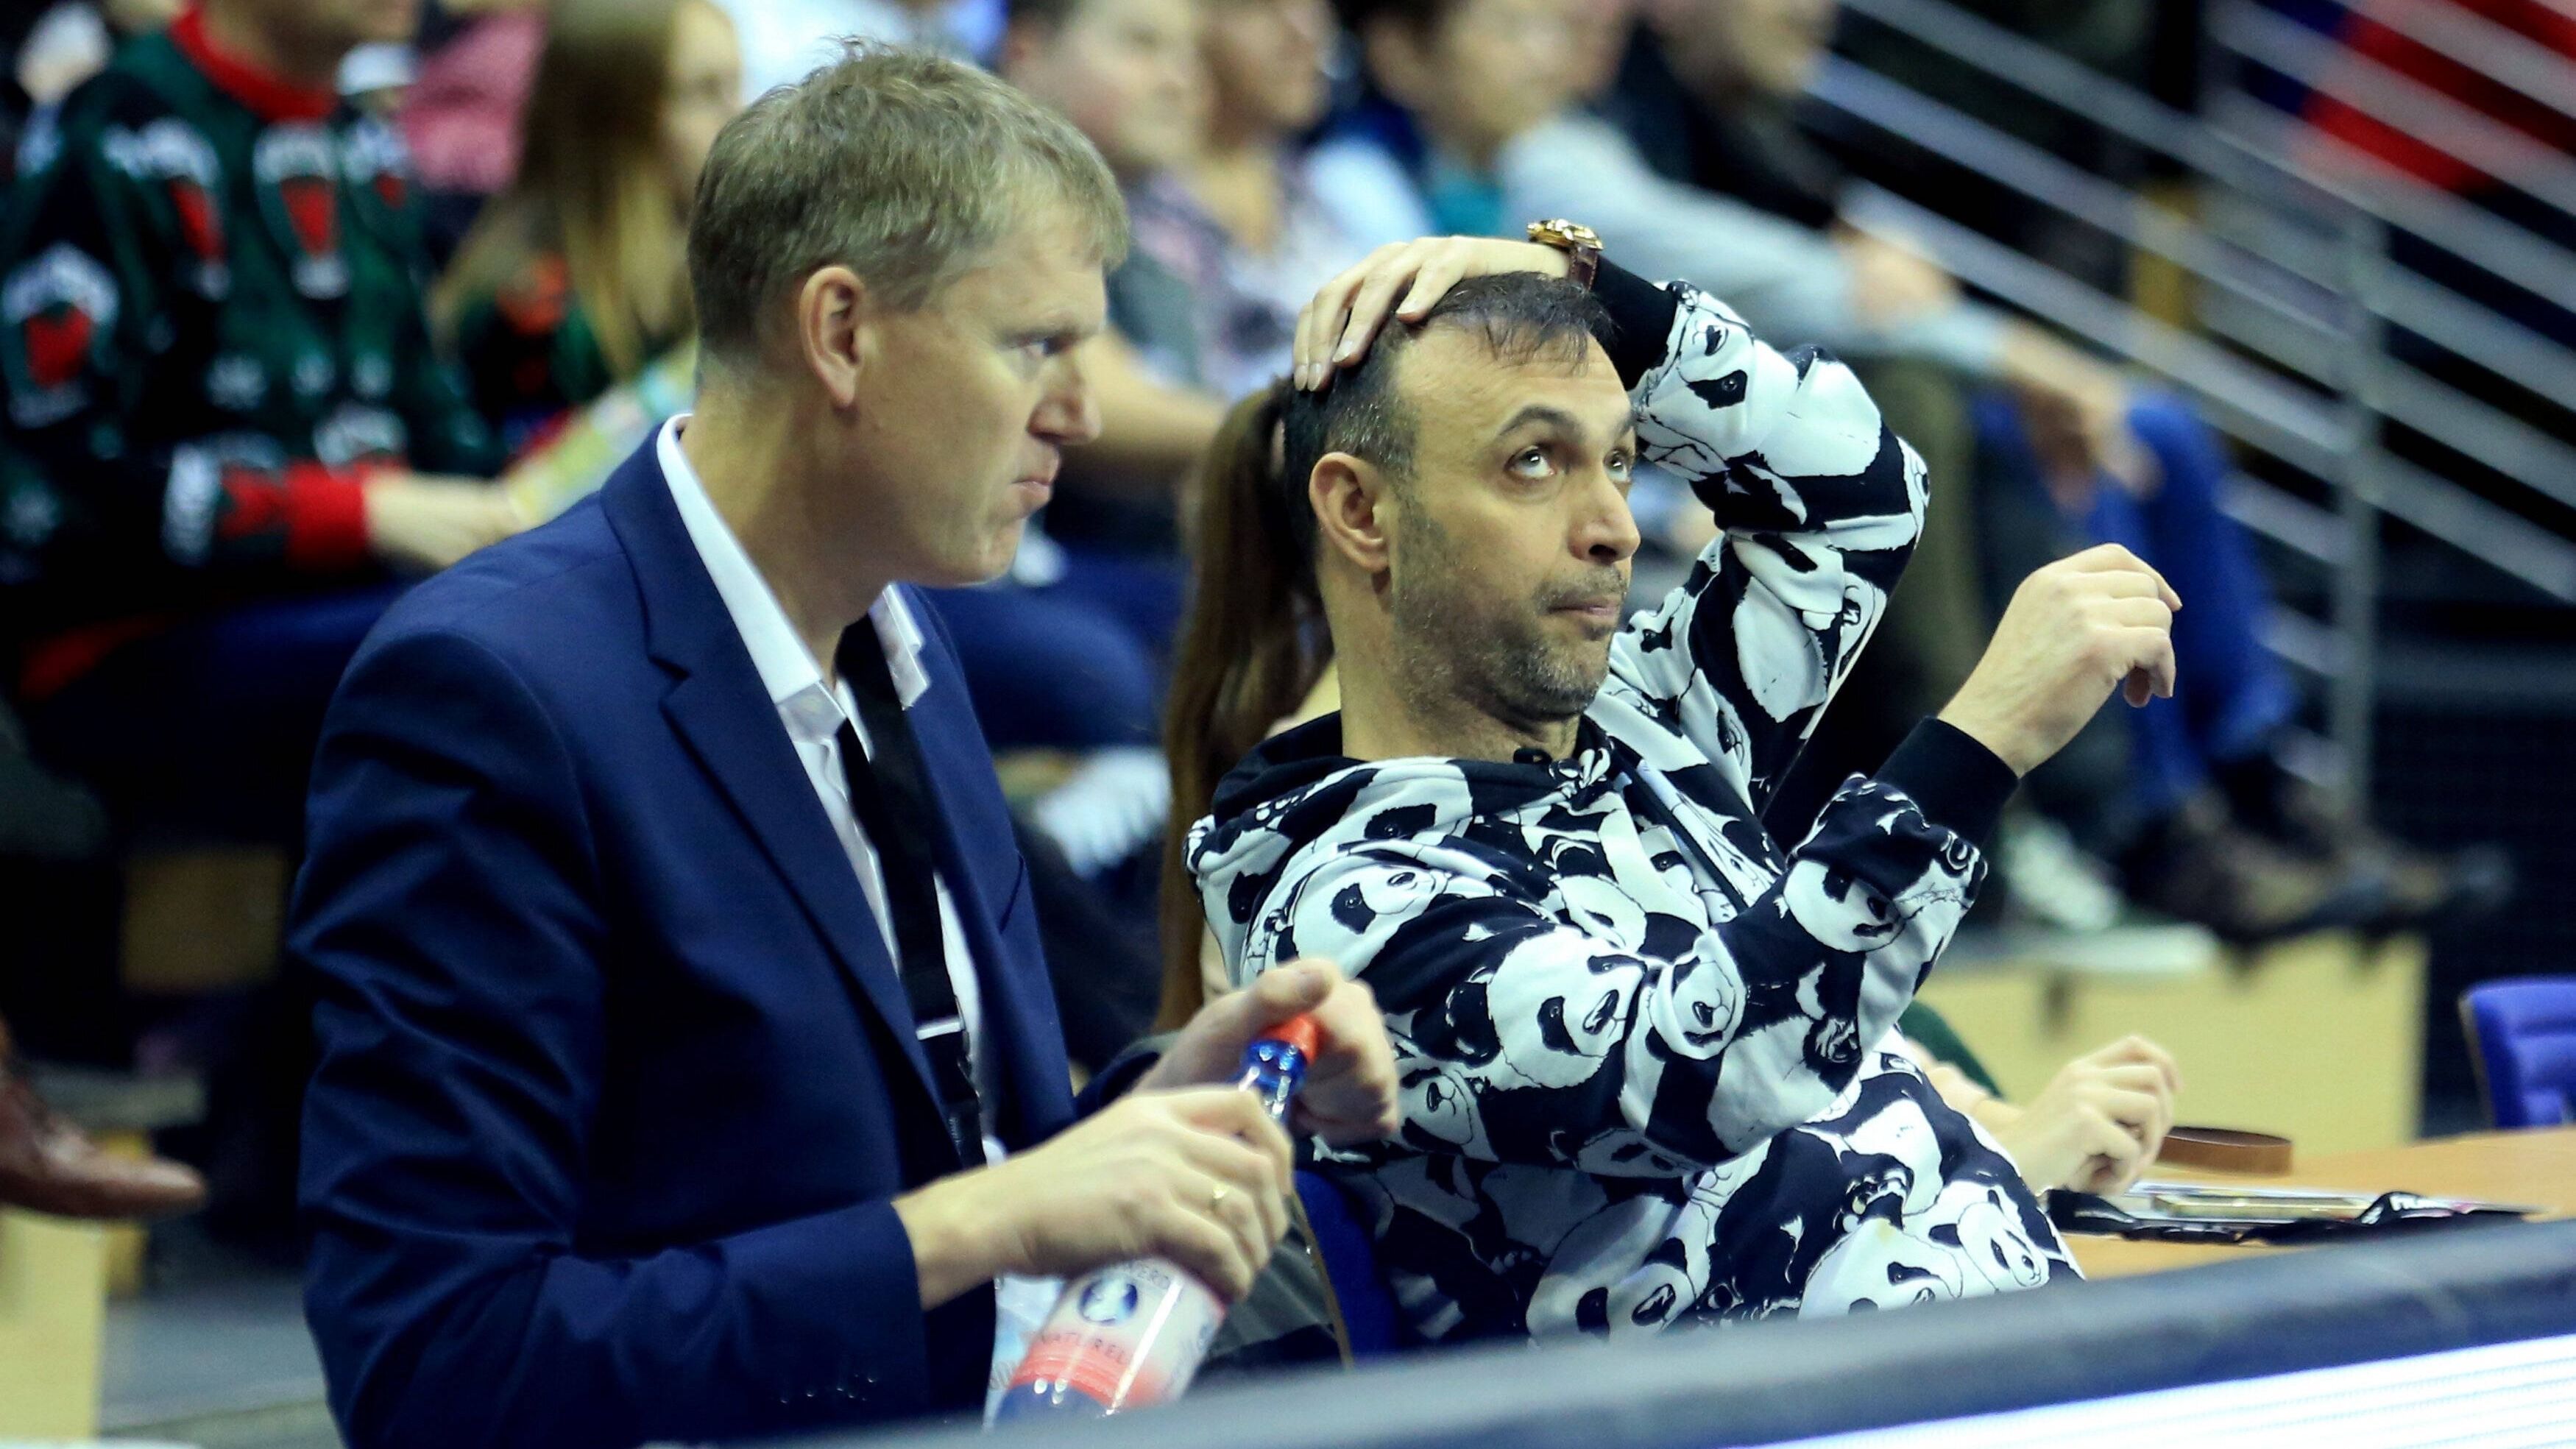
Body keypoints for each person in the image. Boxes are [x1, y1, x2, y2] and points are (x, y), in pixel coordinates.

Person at [293, 47, 1397, 1449]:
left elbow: (934, 1156)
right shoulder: (490, 691)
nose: (1084, 412)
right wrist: (985, 1220)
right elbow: (440, 1362)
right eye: (1035, 346)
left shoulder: (898, 632)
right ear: (843, 333)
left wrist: (1169, 1092)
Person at [1182, 233, 2184, 1341]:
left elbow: (1858, 491)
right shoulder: (1340, 899)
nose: (1613, 527)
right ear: (1363, 514)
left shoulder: (1647, 719)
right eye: (1533, 463)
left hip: (2011, 1362)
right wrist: (1982, 741)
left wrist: (1593, 291)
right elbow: (1704, 1066)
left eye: (1618, 460)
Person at [434, 0, 740, 458]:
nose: (739, 117)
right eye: (703, 93)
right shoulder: (529, 309)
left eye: (736, 86)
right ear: (614, 118)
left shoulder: (715, 264)